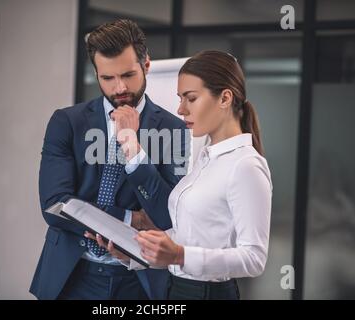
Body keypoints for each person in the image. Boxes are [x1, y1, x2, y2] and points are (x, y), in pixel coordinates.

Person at [29, 19, 188, 300]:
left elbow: (166, 216)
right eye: (108, 78)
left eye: (128, 75)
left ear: (146, 65)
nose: (119, 88)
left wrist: (132, 146)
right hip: (71, 276)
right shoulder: (66, 122)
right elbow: (55, 206)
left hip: (139, 281)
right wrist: (132, 218)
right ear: (96, 73)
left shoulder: (173, 129)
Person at [94, 50, 273, 300]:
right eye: (180, 98)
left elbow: (254, 259)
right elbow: (188, 236)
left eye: (191, 98)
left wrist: (179, 255)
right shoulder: (205, 158)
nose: (180, 109)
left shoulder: (245, 165)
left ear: (225, 98)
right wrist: (136, 252)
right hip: (176, 289)